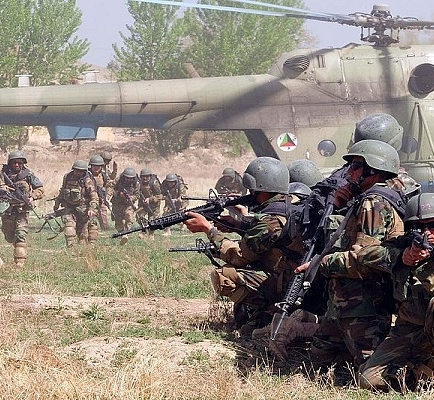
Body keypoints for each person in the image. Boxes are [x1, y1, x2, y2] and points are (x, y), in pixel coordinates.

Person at [260, 140, 406, 366]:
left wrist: (320, 264)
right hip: (343, 302)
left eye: (356, 166)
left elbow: (364, 260)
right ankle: (306, 322)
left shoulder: (373, 203)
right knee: (319, 357)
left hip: (364, 306)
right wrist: (341, 204)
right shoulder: (367, 199)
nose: (349, 172)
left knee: (367, 371)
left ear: (373, 170)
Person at [357, 193, 434, 391]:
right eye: (419, 227)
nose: (426, 233)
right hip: (410, 327)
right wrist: (401, 257)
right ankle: (421, 374)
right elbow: (363, 254)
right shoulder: (405, 244)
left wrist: (424, 264)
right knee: (368, 380)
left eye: (433, 225)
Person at [183, 157, 305, 334]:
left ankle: (266, 316)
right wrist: (240, 223)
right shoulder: (290, 203)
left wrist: (209, 230)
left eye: (252, 189)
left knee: (225, 275)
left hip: (288, 284)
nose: (250, 192)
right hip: (295, 276)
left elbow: (239, 256)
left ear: (261, 189)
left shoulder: (271, 220)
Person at [0, 150, 44, 268]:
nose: (17, 165)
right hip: (7, 210)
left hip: (22, 210)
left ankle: (19, 263)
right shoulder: (2, 175)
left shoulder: (28, 175)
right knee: (9, 237)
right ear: (10, 163)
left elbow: (40, 189)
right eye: (14, 163)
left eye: (20, 163)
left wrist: (32, 197)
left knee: (21, 234)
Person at [53, 160, 99, 247]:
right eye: (76, 170)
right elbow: (63, 190)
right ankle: (71, 247)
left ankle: (90, 247)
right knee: (69, 225)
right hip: (69, 207)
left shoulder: (87, 181)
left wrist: (92, 209)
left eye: (81, 171)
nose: (78, 173)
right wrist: (57, 203)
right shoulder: (68, 177)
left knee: (83, 233)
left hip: (84, 208)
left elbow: (94, 196)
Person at [112, 167, 140, 244]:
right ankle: (122, 233)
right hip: (117, 203)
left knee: (129, 217)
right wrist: (118, 193)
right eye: (127, 178)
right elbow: (110, 188)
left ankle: (126, 234)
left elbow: (137, 195)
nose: (129, 180)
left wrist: (131, 198)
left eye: (131, 178)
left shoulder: (136, 184)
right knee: (118, 223)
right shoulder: (118, 180)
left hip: (128, 204)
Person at [89, 154, 112, 230]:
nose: (96, 168)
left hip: (101, 200)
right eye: (94, 166)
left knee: (104, 224)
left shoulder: (104, 176)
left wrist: (107, 196)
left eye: (98, 166)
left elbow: (110, 186)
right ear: (91, 166)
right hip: (88, 200)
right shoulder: (86, 175)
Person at [137, 168, 162, 238]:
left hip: (154, 206)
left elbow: (160, 196)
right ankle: (144, 230)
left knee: (152, 220)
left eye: (147, 176)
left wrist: (150, 199)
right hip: (143, 204)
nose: (145, 178)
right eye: (143, 176)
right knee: (139, 216)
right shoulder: (139, 183)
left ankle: (151, 234)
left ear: (150, 176)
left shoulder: (154, 183)